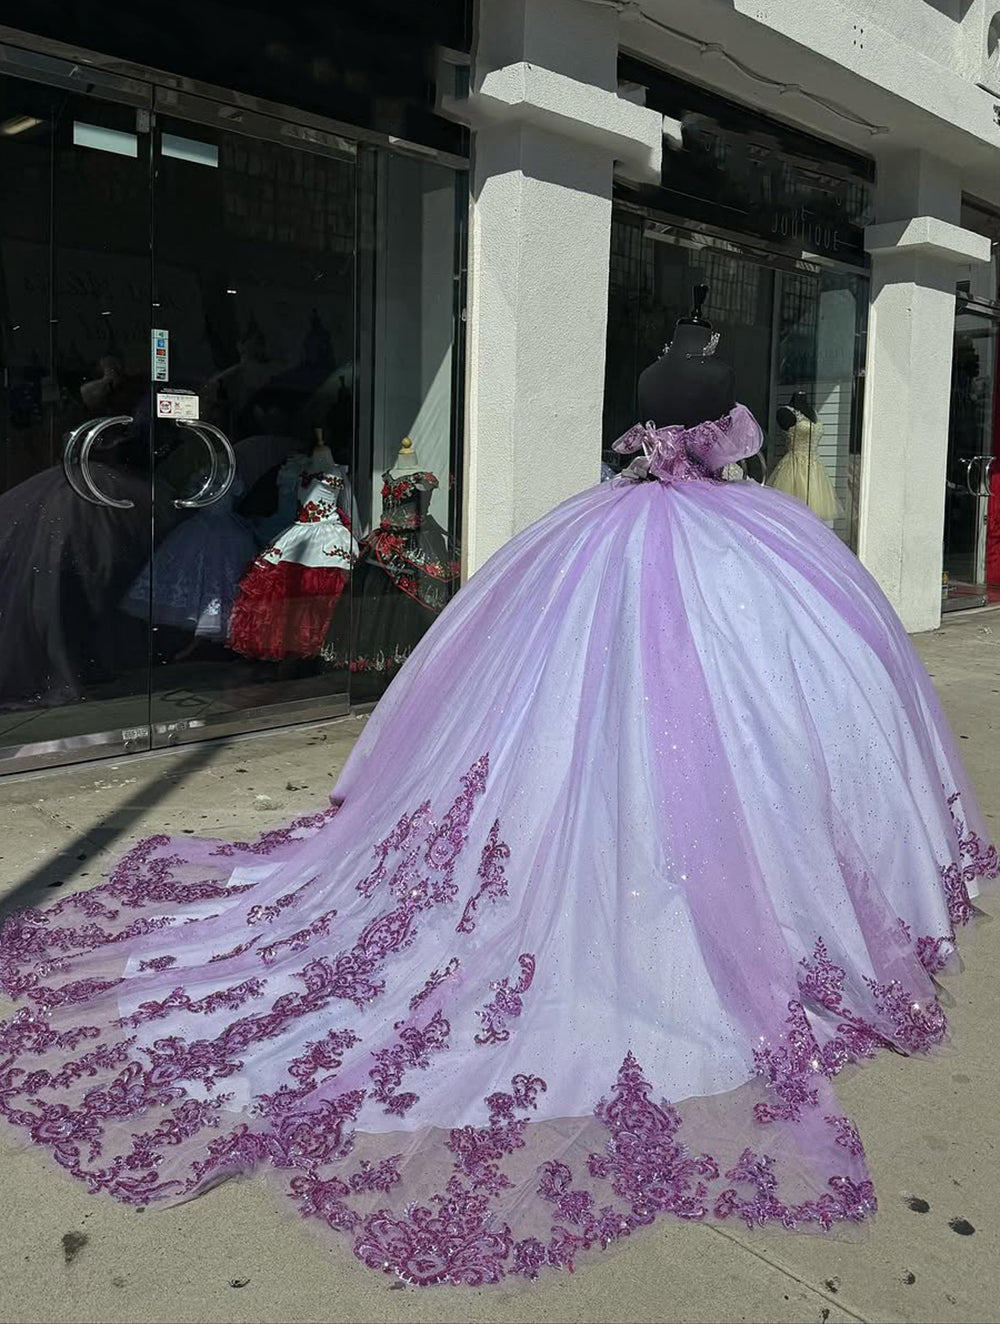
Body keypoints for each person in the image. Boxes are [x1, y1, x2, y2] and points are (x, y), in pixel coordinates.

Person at [0, 333, 995, 1290]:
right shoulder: (683, 477)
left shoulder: (697, 502)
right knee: (616, 714)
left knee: (713, 713)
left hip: (674, 542)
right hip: (661, 544)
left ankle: (719, 881)